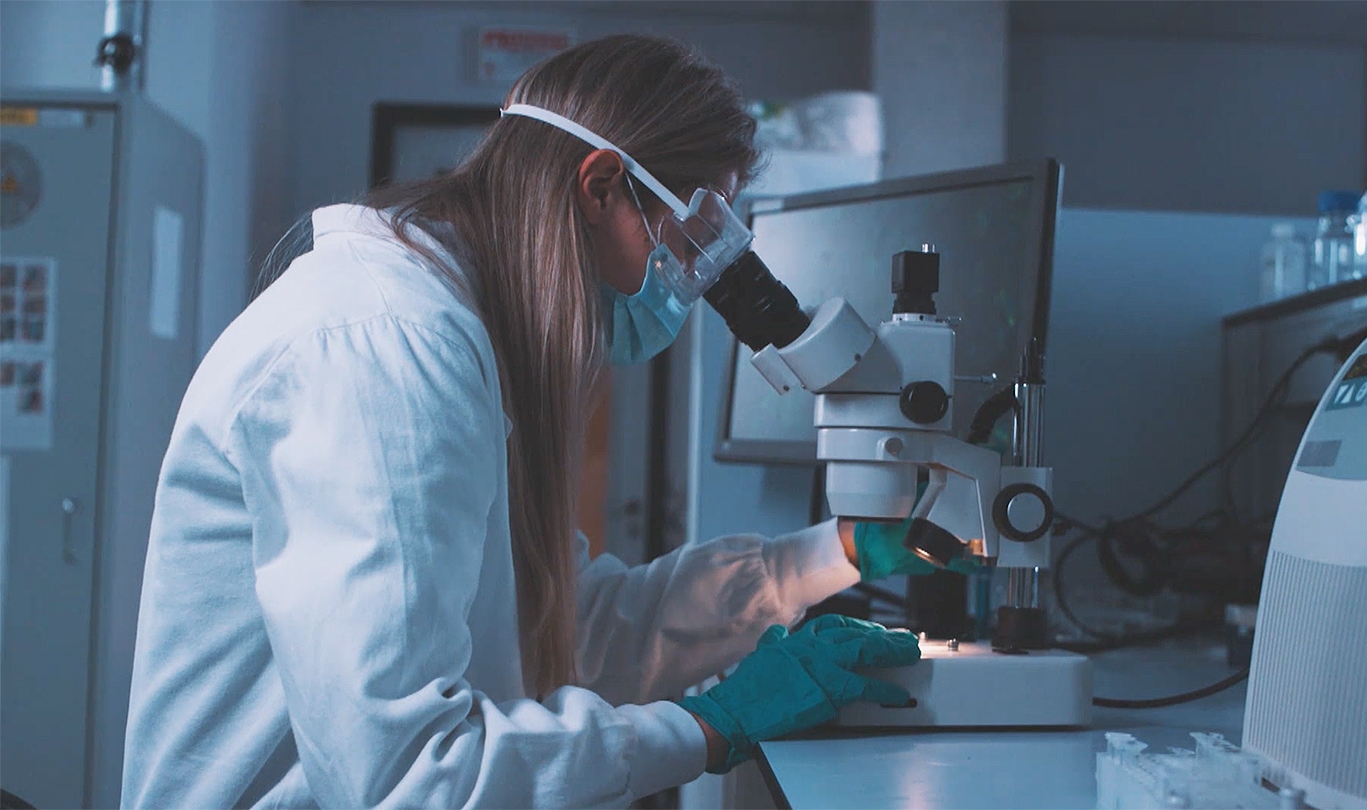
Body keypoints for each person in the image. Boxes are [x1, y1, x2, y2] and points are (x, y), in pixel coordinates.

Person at [121, 34, 950, 809]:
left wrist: (829, 554)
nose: (692, 280)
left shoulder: (464, 341)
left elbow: (566, 628)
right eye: (692, 235)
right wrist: (710, 726)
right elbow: (408, 776)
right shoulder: (388, 350)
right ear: (600, 186)